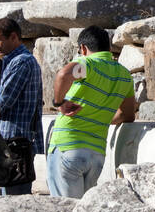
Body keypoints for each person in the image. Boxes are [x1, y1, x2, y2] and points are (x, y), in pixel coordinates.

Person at [46, 25, 136, 199]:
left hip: (68, 146)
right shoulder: (125, 75)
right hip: (96, 155)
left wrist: (59, 103)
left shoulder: (88, 64)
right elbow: (128, 115)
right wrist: (101, 116)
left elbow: (64, 74)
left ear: (83, 49)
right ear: (109, 48)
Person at [0, 17, 44, 196]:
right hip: (14, 140)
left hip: (15, 142)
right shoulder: (16, 61)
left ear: (13, 37)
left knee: (14, 200)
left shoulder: (21, 62)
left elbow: (3, 101)